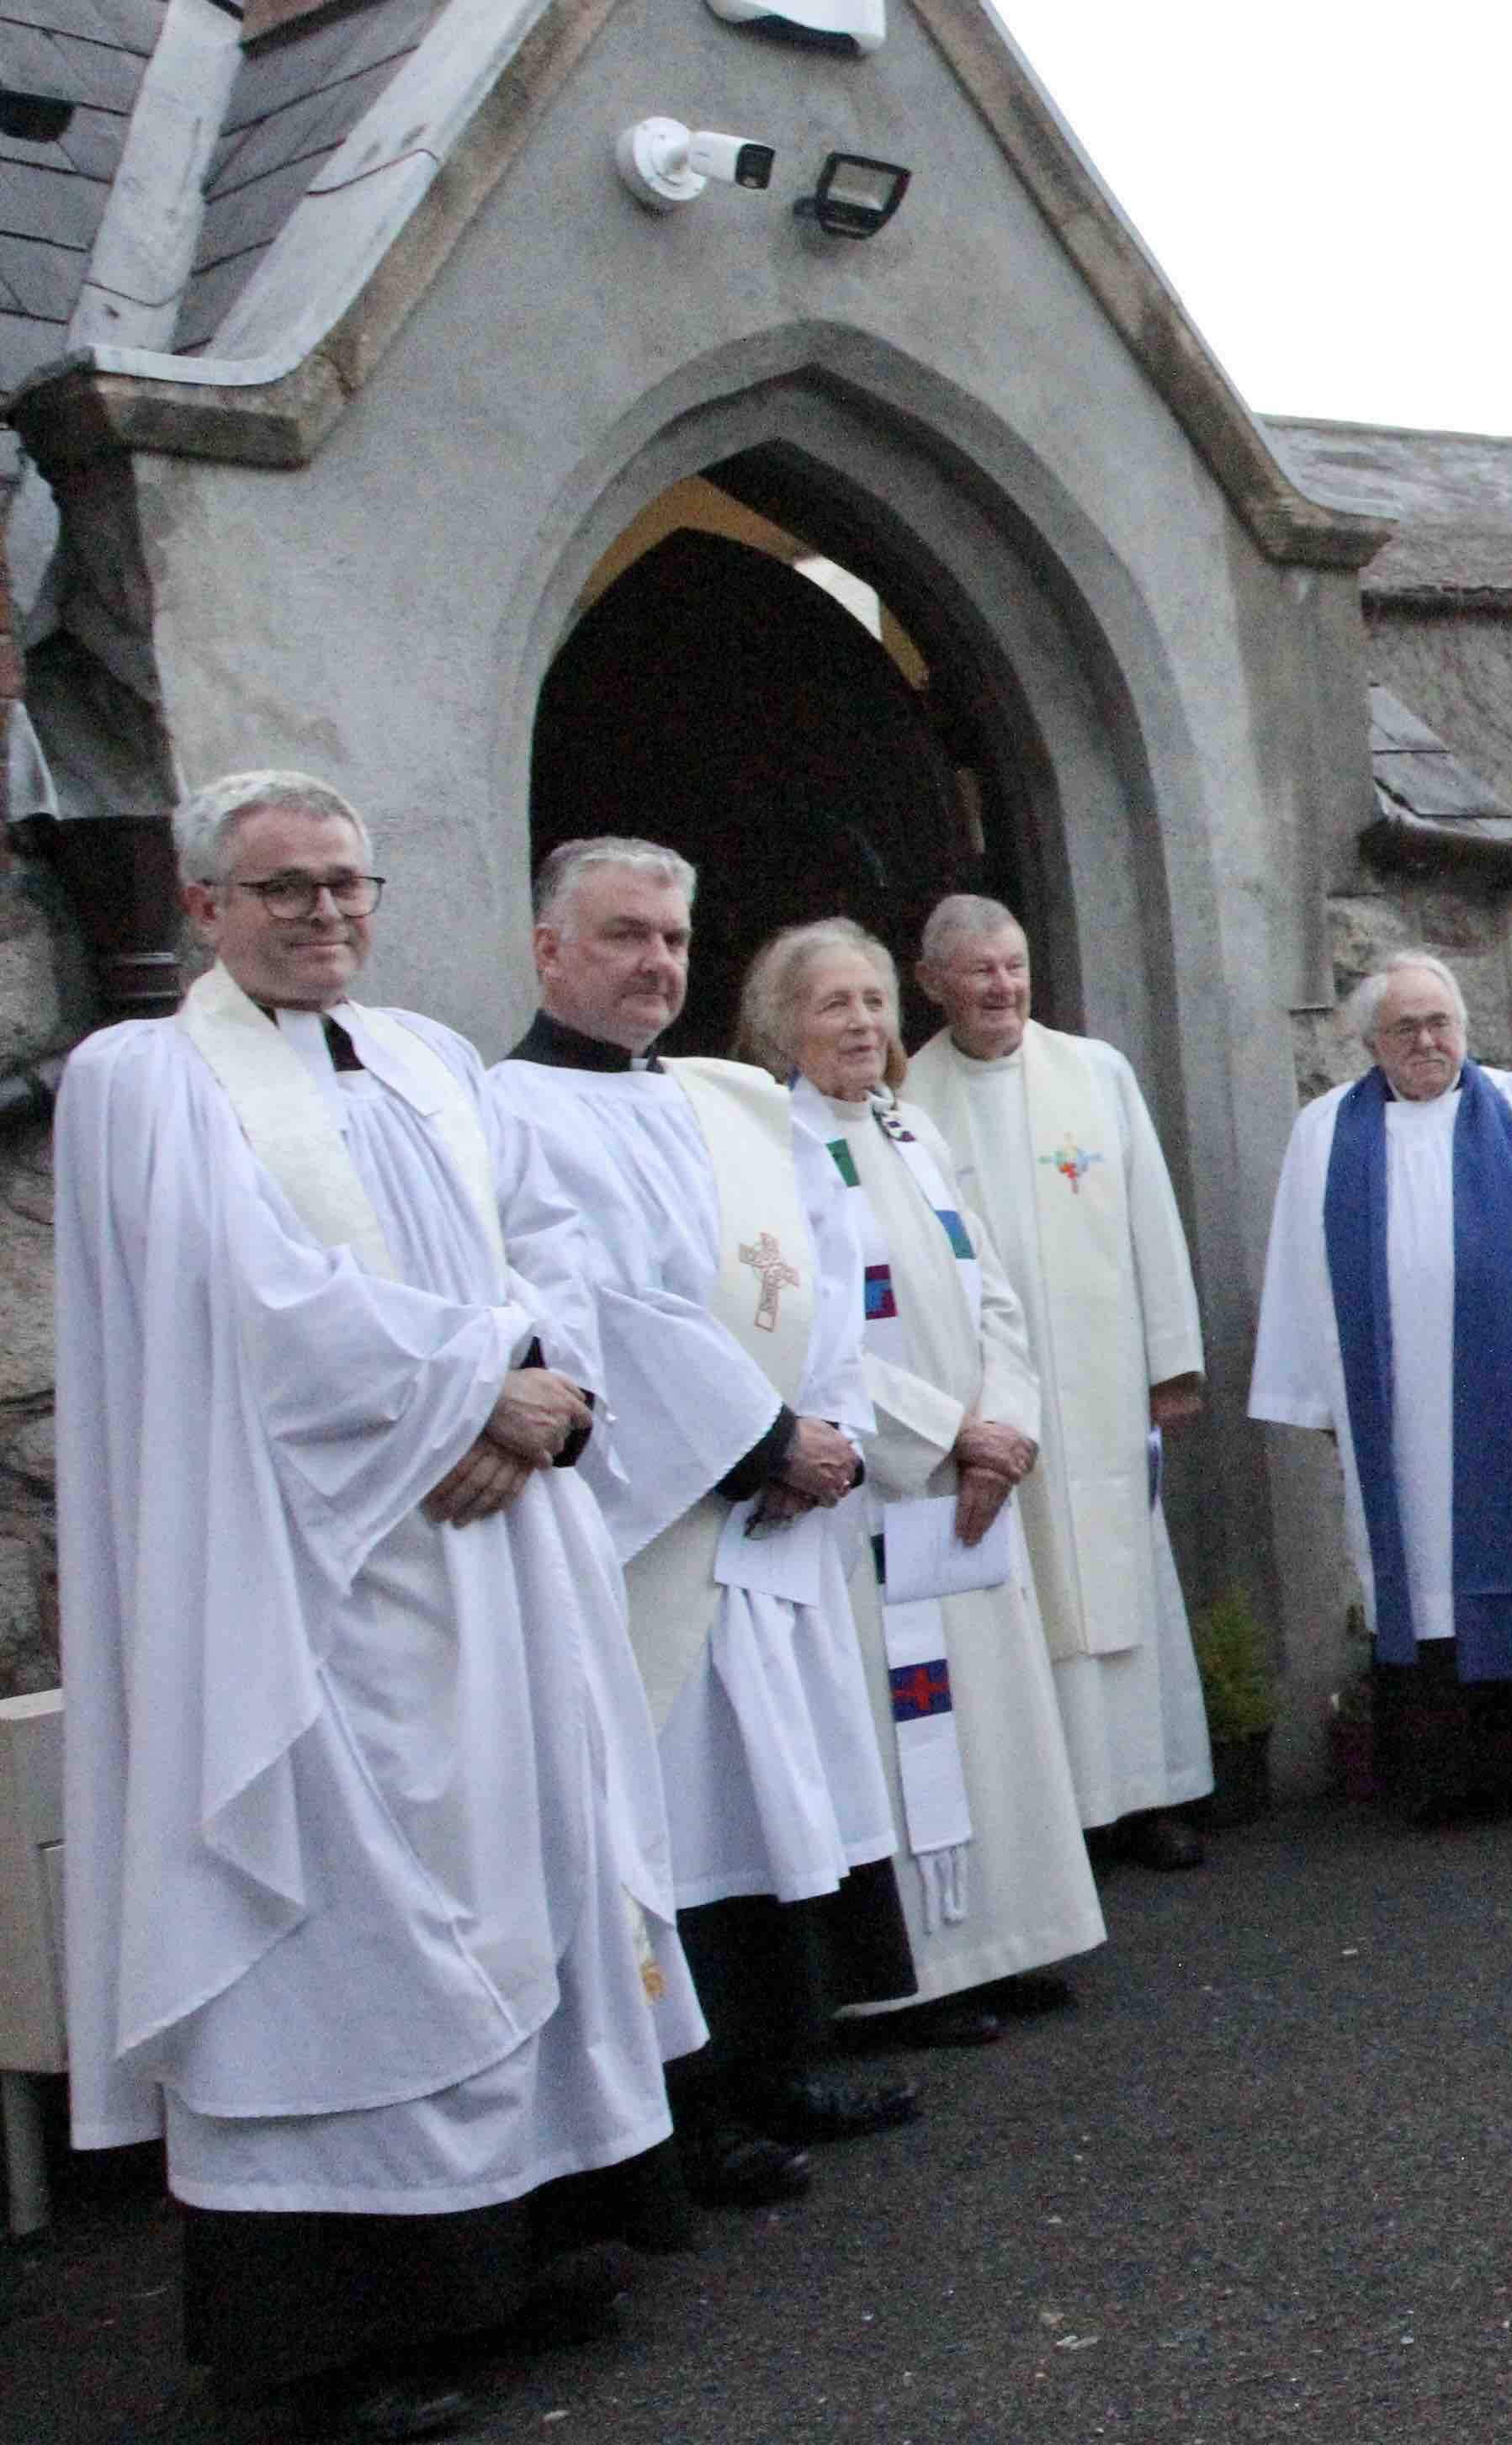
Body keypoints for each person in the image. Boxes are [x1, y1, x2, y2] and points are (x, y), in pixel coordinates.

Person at [58, 772, 698, 2439]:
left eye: (349, 882)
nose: (325, 912)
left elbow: (539, 1249)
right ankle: (326, 2335)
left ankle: (513, 2249)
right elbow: (249, 1306)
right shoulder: (144, 1081)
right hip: (310, 1590)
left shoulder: (426, 1059)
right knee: (352, 1921)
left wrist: (544, 1377)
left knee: (523, 1881)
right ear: (205, 908)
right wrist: (483, 1385)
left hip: (496, 1559)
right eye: (283, 889)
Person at [489, 841, 923, 2214]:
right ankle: (687, 2108)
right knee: (679, 1822)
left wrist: (833, 1426)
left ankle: (783, 2059)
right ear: (550, 948)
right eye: (624, 936)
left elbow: (820, 1262)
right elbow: (598, 1309)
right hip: (665, 1520)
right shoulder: (507, 1110)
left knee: (776, 1803)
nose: (656, 963)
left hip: (775, 1514)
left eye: (673, 938)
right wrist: (761, 1442)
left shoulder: (720, 1104)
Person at [742, 920, 1106, 2044]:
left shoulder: (905, 1128)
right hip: (883, 1488)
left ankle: (1007, 1934)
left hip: (969, 1480)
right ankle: (923, 1967)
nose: (860, 1023)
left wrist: (1006, 1423)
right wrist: (949, 1434)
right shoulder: (783, 1151)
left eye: (870, 1001)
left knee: (993, 1715)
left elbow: (988, 1285)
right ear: (780, 1026)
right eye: (832, 1005)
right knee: (911, 1725)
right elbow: (817, 1340)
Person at [1254, 951, 1512, 1819]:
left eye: (1439, 1023)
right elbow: (1300, 1272)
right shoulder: (1326, 1133)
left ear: (1463, 1026)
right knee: (1420, 1571)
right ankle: (1443, 1773)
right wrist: (1317, 1396)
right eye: (1404, 1028)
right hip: (1398, 1412)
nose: (1426, 1041)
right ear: (1370, 1044)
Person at [905, 896, 1217, 1873]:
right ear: (932, 984)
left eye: (1013, 966)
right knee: (1021, 1588)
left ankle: (1147, 1792)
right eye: (978, 971)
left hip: (1099, 1379)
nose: (1001, 987)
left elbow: (1150, 1218)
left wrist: (1170, 1360)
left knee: (1121, 1569)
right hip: (989, 1391)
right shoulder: (907, 1096)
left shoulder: (1094, 1072)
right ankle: (1057, 1817)